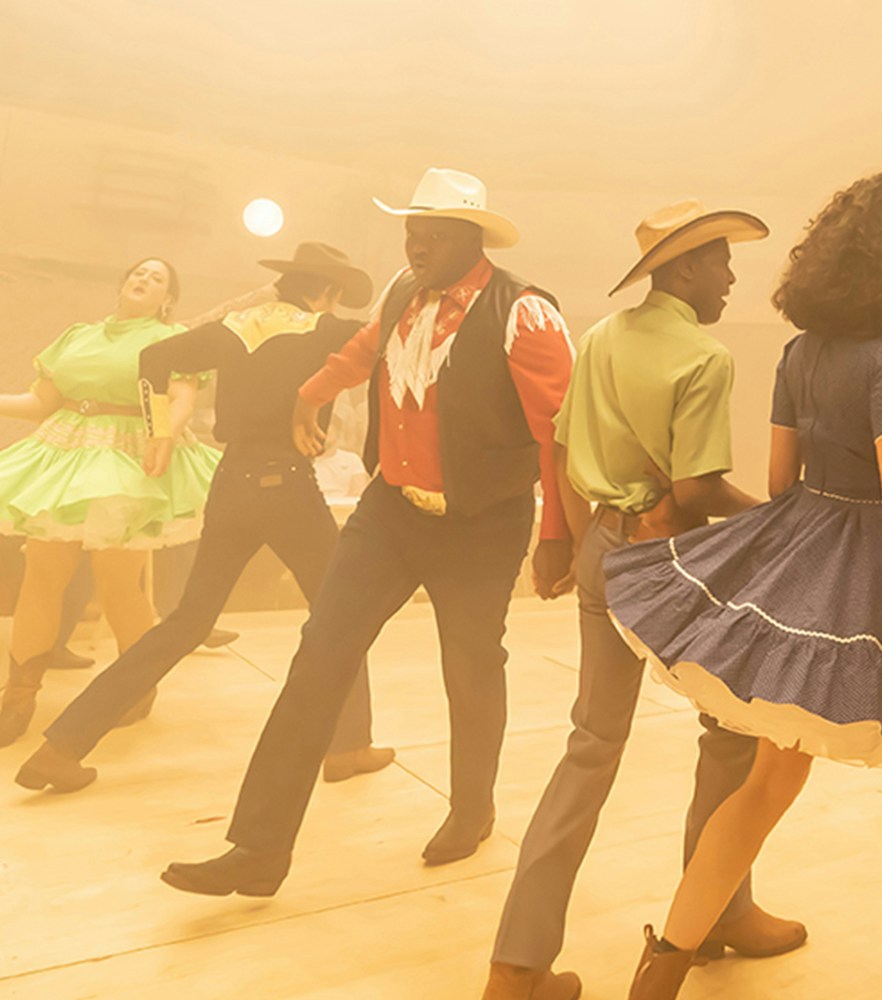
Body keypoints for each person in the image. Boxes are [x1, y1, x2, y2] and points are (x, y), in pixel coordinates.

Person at [610, 174, 882, 1000]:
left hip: (807, 557)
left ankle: (660, 971)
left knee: (765, 784)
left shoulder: (798, 352)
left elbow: (782, 483)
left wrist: (794, 576)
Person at [161, 168, 585, 896]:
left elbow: (560, 432)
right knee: (319, 654)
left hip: (483, 522)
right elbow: (365, 349)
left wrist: (559, 538)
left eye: (433, 233)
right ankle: (259, 849)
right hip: (390, 511)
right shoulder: (400, 293)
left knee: (471, 667)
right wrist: (312, 391)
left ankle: (472, 809)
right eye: (411, 231)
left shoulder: (523, 312)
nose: (416, 244)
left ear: (470, 238)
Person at [483, 200, 803, 1000]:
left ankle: (516, 965)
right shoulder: (703, 355)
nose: (731, 278)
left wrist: (562, 538)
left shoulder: (598, 337)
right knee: (731, 727)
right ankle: (721, 909)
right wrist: (778, 517)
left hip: (603, 549)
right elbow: (694, 492)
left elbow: (558, 443)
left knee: (591, 745)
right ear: (685, 268)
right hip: (675, 563)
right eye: (721, 262)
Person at [17, 242, 395, 793]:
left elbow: (153, 362)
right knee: (343, 613)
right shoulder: (329, 331)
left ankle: (61, 746)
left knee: (187, 621)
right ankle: (348, 745)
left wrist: (160, 433)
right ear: (328, 291)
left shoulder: (234, 327)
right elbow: (387, 349)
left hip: (231, 481)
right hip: (287, 484)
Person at [0, 258, 219, 747]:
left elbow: (182, 397)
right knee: (41, 570)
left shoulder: (171, 336)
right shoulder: (78, 335)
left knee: (117, 580)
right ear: (122, 284)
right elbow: (40, 402)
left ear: (168, 299)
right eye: (138, 273)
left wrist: (167, 432)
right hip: (65, 452)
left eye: (158, 277)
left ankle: (136, 686)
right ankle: (19, 692)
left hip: (129, 455)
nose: (143, 279)